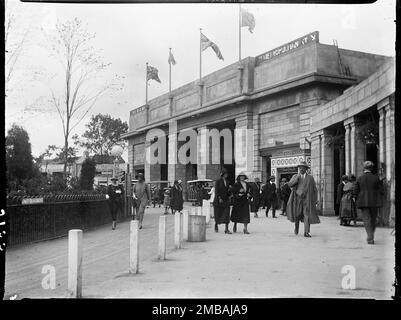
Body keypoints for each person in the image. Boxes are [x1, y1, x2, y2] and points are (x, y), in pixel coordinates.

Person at [353, 161, 385, 245]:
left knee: (366, 220)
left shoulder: (359, 178)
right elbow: (381, 191)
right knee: (373, 220)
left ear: (364, 168)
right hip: (374, 202)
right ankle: (370, 236)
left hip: (363, 202)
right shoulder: (376, 178)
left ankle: (370, 237)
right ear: (371, 168)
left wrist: (356, 199)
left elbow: (355, 191)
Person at [286, 161, 320, 237]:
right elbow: (289, 184)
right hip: (297, 199)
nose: (301, 169)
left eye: (303, 167)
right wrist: (296, 179)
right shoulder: (295, 176)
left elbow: (315, 189)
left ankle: (306, 232)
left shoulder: (310, 178)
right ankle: (296, 228)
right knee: (297, 215)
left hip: (307, 200)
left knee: (307, 215)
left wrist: (316, 199)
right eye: (300, 167)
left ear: (306, 169)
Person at [213, 168, 232, 234]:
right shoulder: (218, 181)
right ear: (222, 174)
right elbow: (216, 191)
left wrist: (230, 192)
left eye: (227, 174)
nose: (226, 175)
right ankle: (216, 224)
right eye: (225, 174)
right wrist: (219, 198)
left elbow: (228, 192)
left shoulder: (227, 182)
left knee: (227, 214)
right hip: (219, 200)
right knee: (218, 214)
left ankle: (226, 229)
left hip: (226, 200)